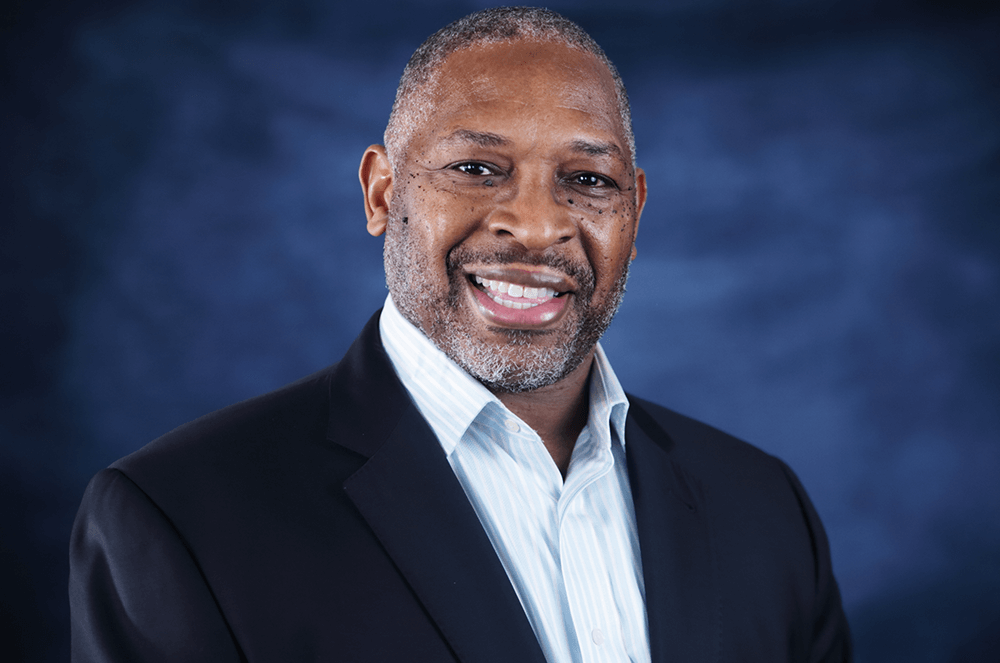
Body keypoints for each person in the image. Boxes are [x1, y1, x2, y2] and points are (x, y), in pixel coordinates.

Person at [69, 7, 852, 662]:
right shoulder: (179, 518)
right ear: (381, 191)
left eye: (588, 180)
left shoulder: (764, 507)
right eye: (477, 168)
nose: (538, 225)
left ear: (634, 215)